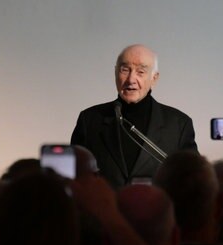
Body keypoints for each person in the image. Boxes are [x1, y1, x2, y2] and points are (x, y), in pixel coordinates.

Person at [71, 44, 197, 188]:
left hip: (156, 209)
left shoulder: (179, 124)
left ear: (154, 78)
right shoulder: (90, 120)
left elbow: (193, 181)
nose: (131, 79)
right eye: (125, 70)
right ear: (115, 73)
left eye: (140, 71)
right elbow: (74, 177)